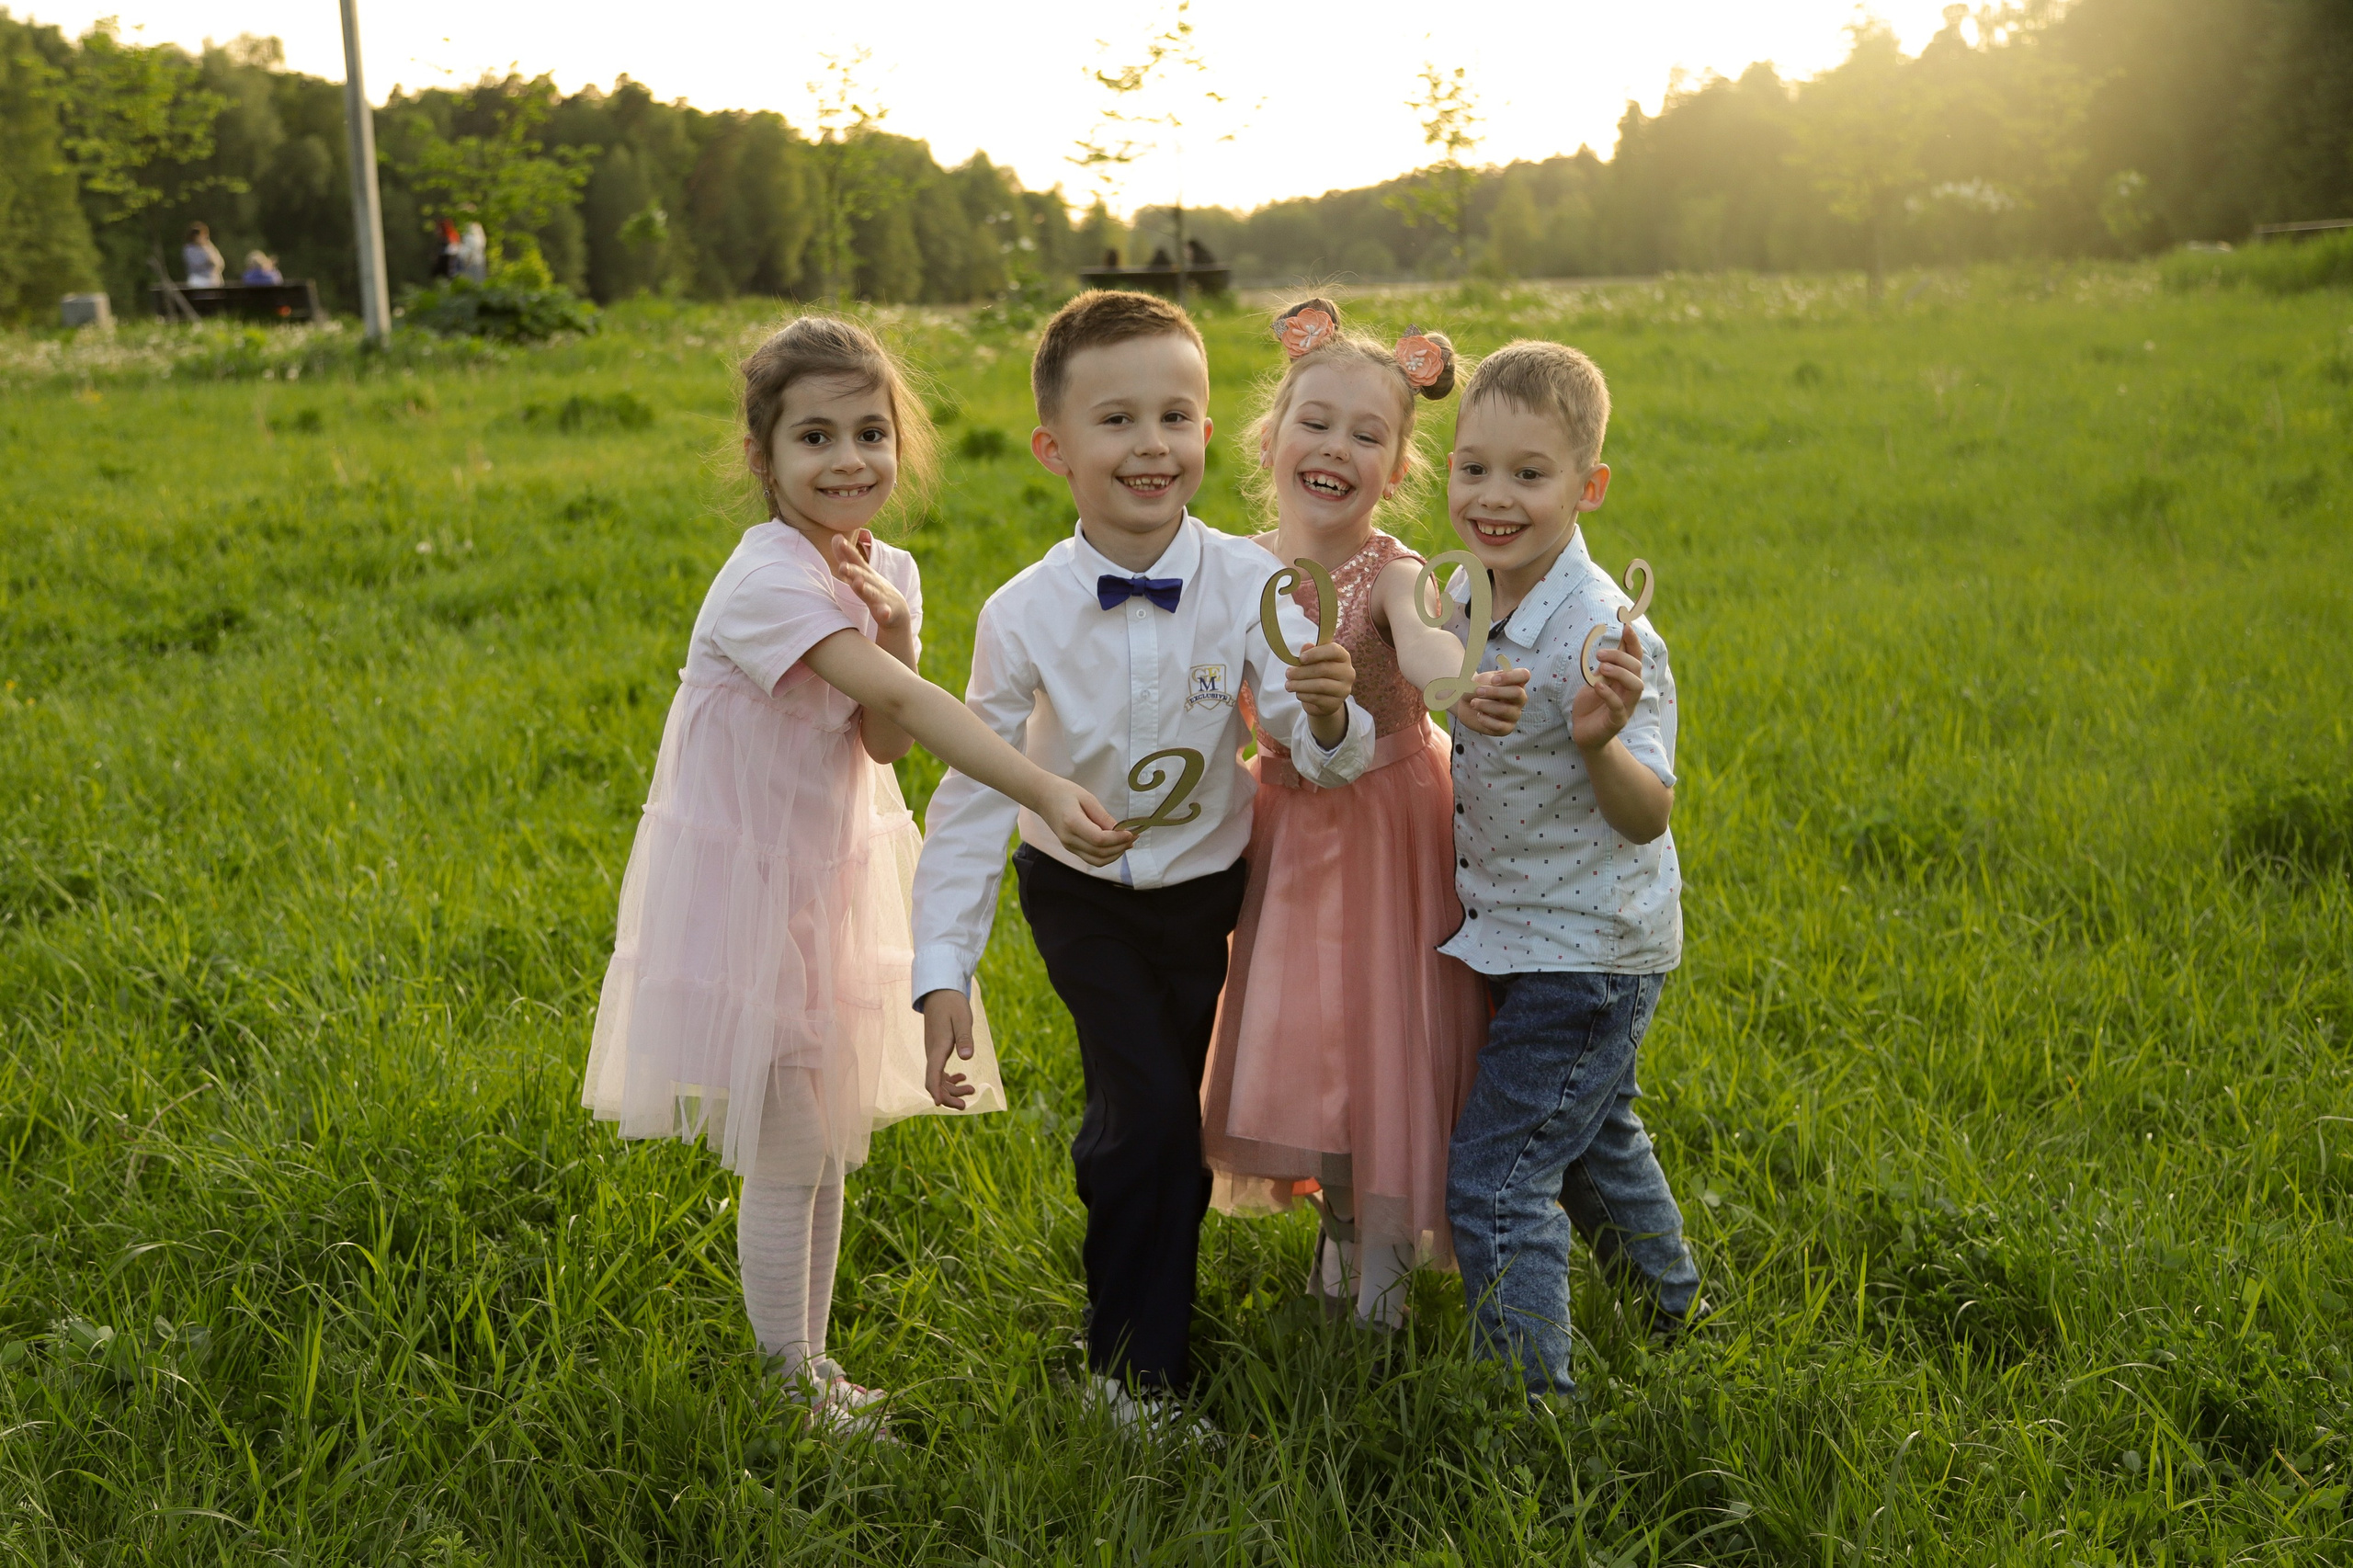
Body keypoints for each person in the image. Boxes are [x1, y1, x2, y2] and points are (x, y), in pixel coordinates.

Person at [580, 315, 1131, 1436]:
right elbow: (923, 716)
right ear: (765, 459)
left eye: (870, 432)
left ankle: (810, 1362)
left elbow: (881, 739)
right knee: (790, 1145)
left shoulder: (888, 571)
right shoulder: (763, 580)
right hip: (747, 882)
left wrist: (906, 635)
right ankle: (792, 1381)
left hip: (828, 868)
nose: (848, 460)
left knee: (823, 1137)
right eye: (815, 437)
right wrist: (1039, 784)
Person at [910, 290, 1372, 1430]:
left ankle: (1155, 1307)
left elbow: (1318, 759)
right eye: (1116, 420)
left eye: (1176, 415)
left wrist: (1324, 713)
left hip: (1210, 890)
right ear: (1053, 449)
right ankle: (1129, 1374)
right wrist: (941, 968)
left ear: (1210, 434)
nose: (1151, 444)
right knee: (1146, 1113)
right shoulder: (1021, 612)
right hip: (1080, 896)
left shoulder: (1250, 582)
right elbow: (973, 786)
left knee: (1173, 1119)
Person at [1199, 299, 1528, 1329]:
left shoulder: (1391, 573)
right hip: (1288, 828)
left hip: (1386, 824)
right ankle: (1337, 1232)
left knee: (1383, 1030)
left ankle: (1383, 1269)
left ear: (1396, 471)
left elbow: (1426, 645)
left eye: (1368, 434)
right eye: (1317, 421)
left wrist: (1447, 666)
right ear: (1270, 436)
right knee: (1309, 1035)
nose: (1336, 446)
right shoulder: (1230, 561)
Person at [1438, 340, 1707, 1403]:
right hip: (1515, 925)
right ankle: (1672, 1317)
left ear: (1586, 486)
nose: (1492, 497)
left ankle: (1528, 1412)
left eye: (1528, 473)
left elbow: (1648, 816)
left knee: (1498, 1179)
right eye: (1472, 467)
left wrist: (1597, 739)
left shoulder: (1601, 632)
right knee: (1591, 1140)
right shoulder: (1465, 595)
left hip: (1585, 945)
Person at [182, 223, 223, 288]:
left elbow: (220, 263)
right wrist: (208, 260)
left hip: (212, 279)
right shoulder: (188, 249)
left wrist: (207, 249)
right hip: (198, 278)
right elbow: (195, 265)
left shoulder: (209, 247)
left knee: (216, 279)